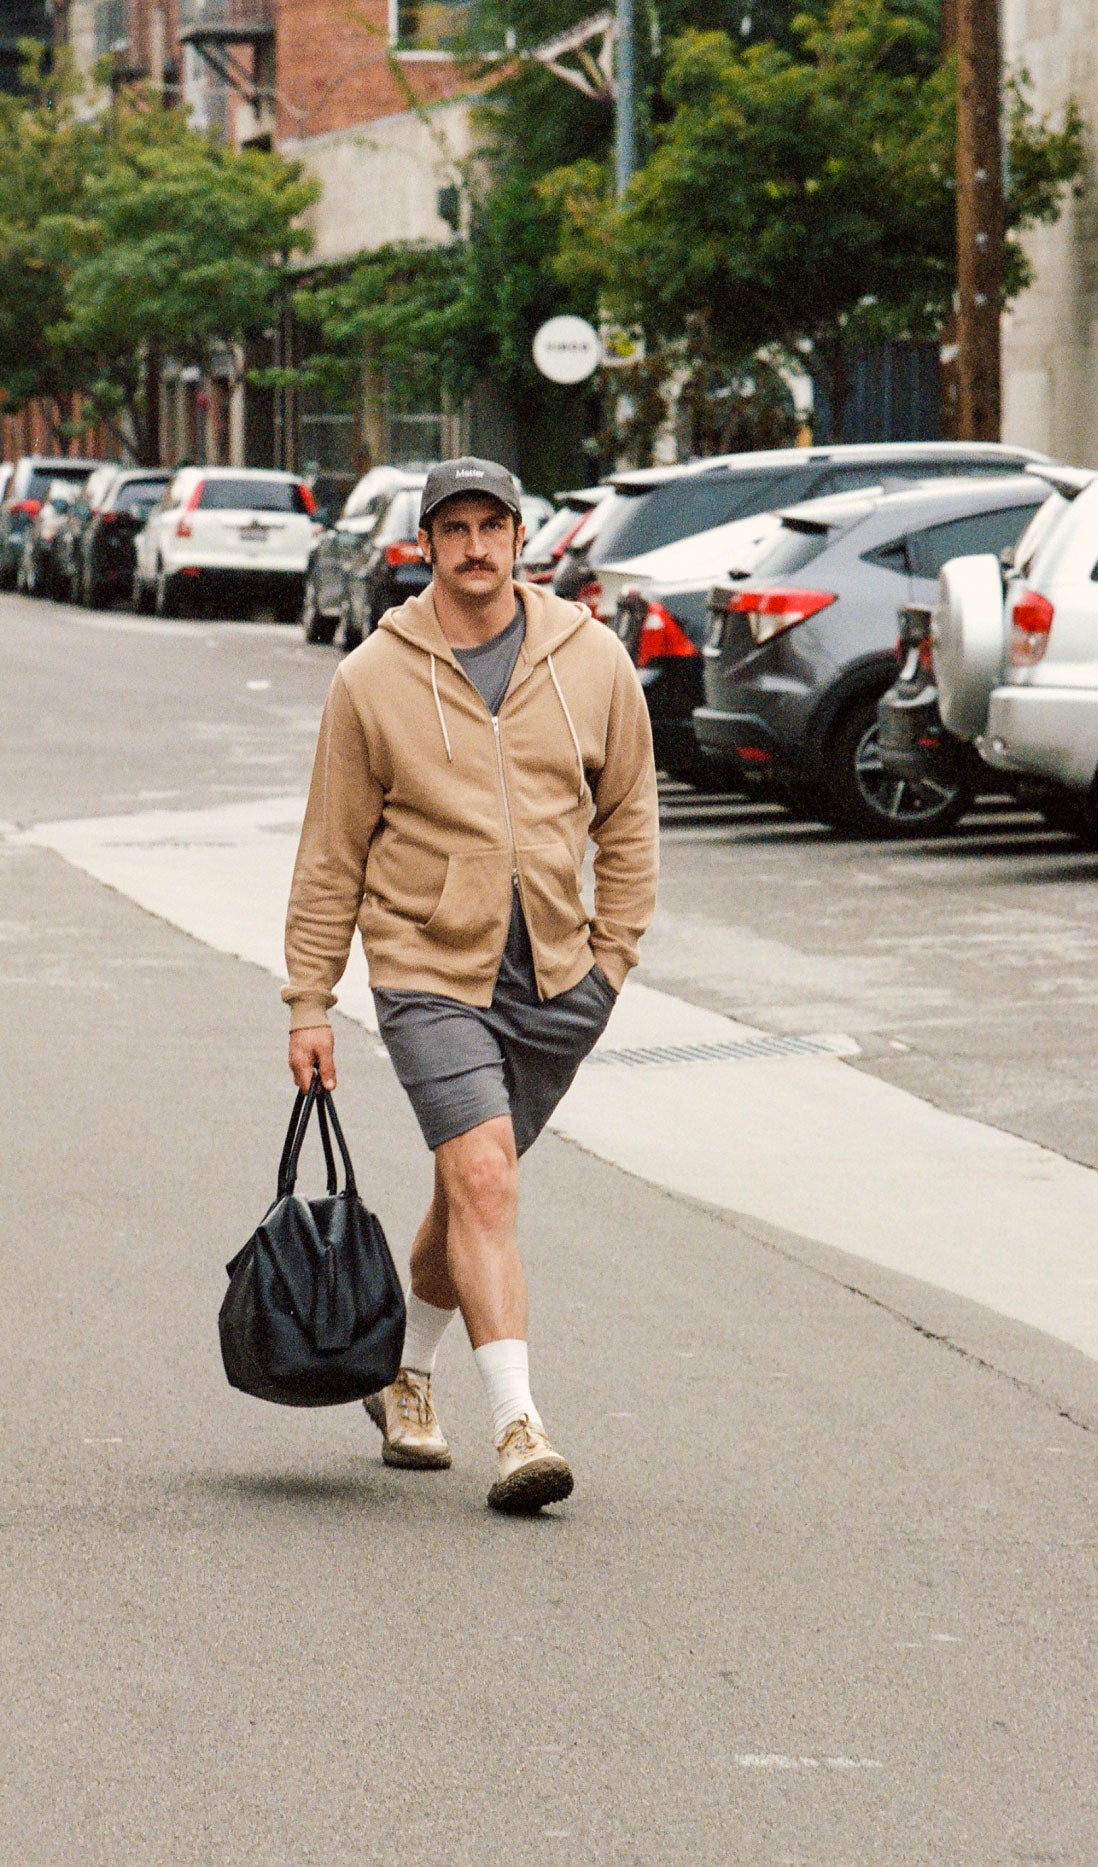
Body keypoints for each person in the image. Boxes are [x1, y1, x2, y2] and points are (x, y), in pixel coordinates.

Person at [284, 457, 658, 1514]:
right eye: (453, 528)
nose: (474, 546)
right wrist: (310, 999)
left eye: (491, 524)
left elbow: (628, 814)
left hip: (555, 977)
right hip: (423, 966)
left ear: (520, 536)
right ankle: (516, 1427)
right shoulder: (372, 677)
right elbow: (329, 853)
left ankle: (403, 1373)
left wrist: (613, 953)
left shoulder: (589, 660)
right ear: (426, 545)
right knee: (487, 1180)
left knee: (466, 1187)